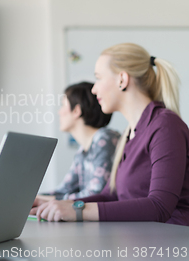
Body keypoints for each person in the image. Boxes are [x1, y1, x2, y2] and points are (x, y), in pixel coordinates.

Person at [31, 43, 189, 226]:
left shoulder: (165, 126)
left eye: (98, 78)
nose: (93, 89)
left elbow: (159, 206)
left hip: (170, 245)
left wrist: (78, 211)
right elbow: (110, 195)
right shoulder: (130, 134)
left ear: (122, 79)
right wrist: (58, 204)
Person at [36, 82, 120, 203]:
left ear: (76, 110)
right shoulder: (83, 150)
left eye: (63, 105)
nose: (59, 112)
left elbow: (95, 194)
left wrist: (46, 201)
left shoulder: (105, 139)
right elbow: (64, 189)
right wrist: (33, 198)